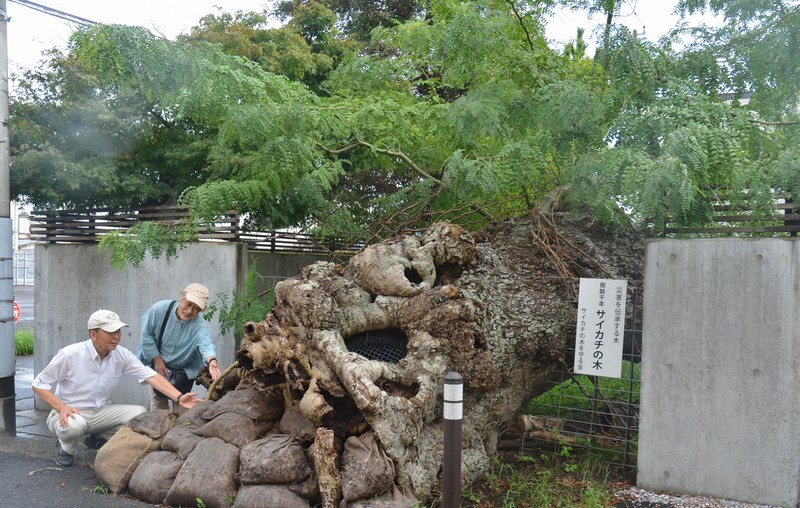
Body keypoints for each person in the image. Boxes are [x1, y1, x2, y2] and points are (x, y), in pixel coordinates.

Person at [31, 309, 202, 467]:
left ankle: (99, 437)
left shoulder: (121, 355)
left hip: (100, 412)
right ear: (93, 334)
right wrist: (61, 407)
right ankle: (66, 448)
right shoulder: (70, 355)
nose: (116, 336)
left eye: (118, 331)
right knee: (74, 427)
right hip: (70, 413)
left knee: (139, 413)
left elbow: (150, 376)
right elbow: (39, 384)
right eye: (110, 332)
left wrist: (178, 397)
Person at [137, 283, 221, 411]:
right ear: (182, 297)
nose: (190, 311)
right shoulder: (160, 309)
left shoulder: (199, 325)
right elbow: (146, 335)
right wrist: (157, 359)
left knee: (182, 410)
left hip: (182, 373)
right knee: (158, 409)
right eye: (189, 304)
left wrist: (212, 360)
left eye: (196, 308)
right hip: (158, 367)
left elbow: (206, 343)